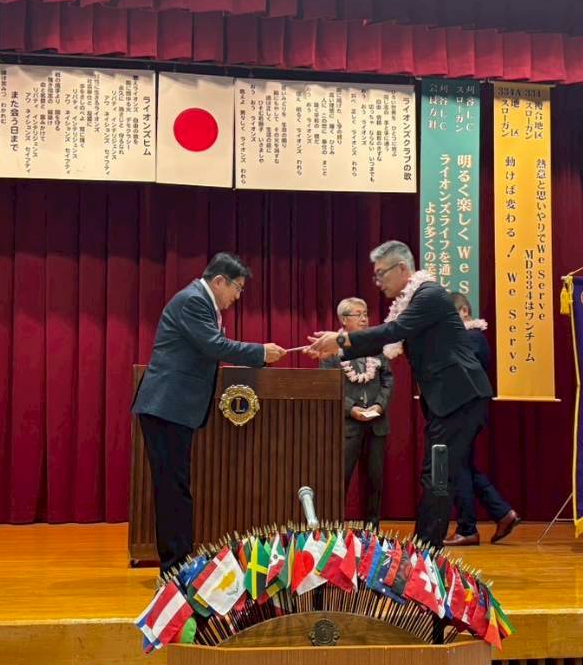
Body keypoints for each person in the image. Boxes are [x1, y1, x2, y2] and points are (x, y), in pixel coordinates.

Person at [306, 241, 491, 546]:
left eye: (381, 274)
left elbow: (392, 331)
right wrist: (337, 351)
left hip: (460, 397)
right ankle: (424, 548)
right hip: (449, 401)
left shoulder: (429, 295)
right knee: (436, 474)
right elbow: (383, 339)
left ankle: (425, 552)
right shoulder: (413, 301)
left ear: (402, 269)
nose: (378, 282)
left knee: (438, 475)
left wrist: (340, 341)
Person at [132, 253, 286, 574]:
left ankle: (179, 563)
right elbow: (215, 346)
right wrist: (260, 352)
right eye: (237, 288)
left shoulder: (200, 301)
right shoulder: (193, 301)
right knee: (172, 491)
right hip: (166, 408)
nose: (237, 297)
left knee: (176, 489)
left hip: (173, 410)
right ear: (219, 281)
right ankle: (175, 569)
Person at [446, 292, 520, 546]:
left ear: (464, 312)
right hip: (463, 410)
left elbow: (458, 371)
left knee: (458, 466)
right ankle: (502, 513)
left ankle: (467, 528)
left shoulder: (472, 337)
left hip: (467, 410)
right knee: (462, 464)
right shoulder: (467, 337)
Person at [320, 297, 394, 527]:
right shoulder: (332, 348)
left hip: (376, 424)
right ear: (344, 320)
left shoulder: (376, 346)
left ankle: (372, 530)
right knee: (339, 479)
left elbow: (388, 380)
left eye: (365, 313)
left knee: (374, 481)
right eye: (358, 314)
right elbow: (328, 386)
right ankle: (334, 530)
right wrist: (351, 408)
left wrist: (379, 405)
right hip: (347, 426)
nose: (364, 319)